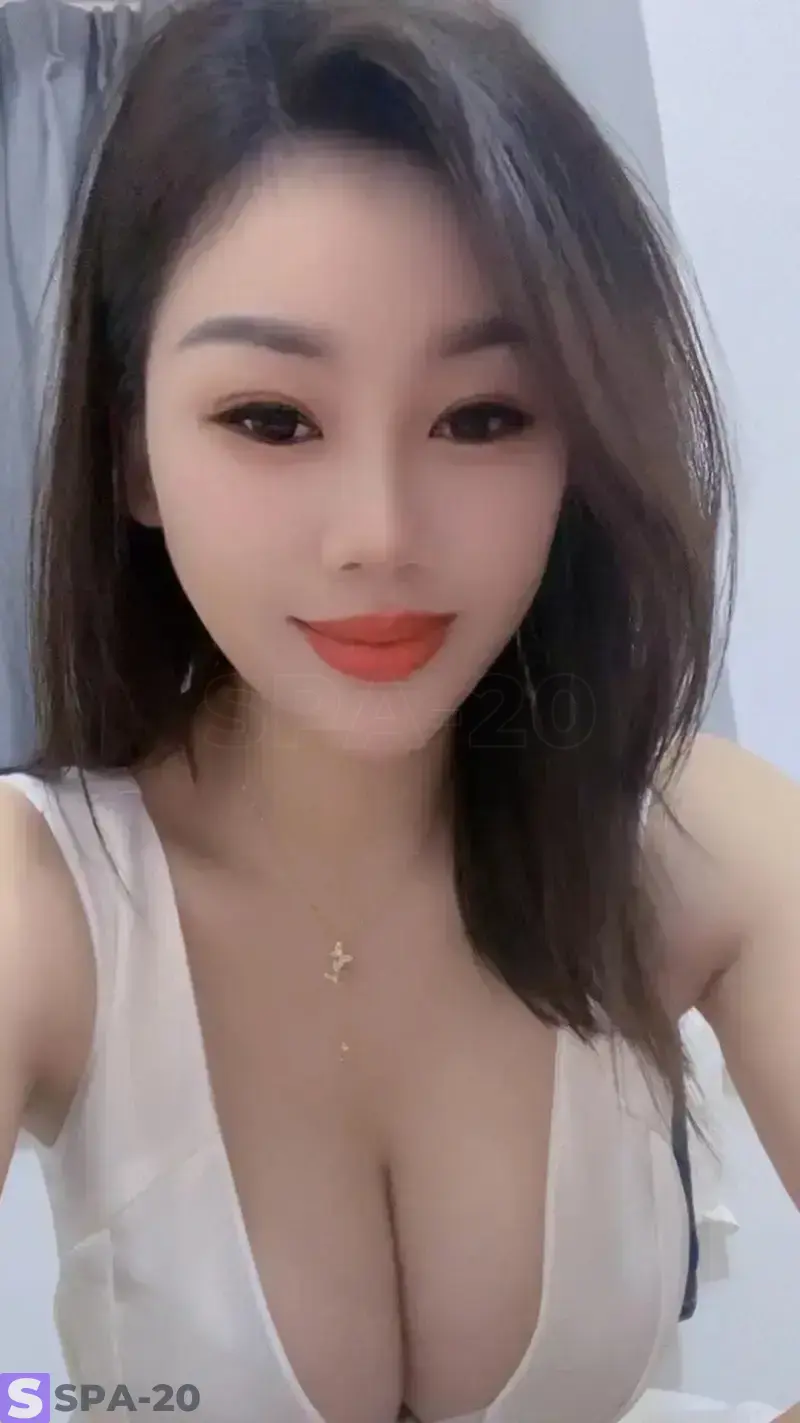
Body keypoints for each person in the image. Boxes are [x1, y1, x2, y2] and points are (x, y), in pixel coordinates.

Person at [0, 0, 797, 1419]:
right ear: (134, 456)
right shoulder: (44, 904)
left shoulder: (700, 844)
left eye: (483, 416)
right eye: (271, 418)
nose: (380, 532)